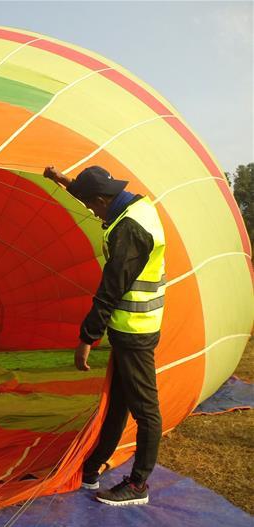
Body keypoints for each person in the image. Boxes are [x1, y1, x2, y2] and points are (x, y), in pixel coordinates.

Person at [44, 165, 165, 506]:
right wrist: (62, 181)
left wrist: (87, 338)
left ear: (103, 199)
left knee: (144, 410)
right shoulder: (136, 205)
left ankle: (138, 485)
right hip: (130, 330)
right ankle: (93, 468)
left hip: (135, 332)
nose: (94, 213)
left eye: (93, 206)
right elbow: (93, 197)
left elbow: (111, 290)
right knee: (117, 405)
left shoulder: (130, 232)